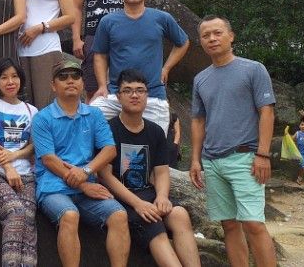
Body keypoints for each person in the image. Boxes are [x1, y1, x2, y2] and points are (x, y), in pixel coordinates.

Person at [189, 15, 276, 267]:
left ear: (231, 36)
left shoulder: (253, 69)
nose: (212, 39)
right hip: (212, 161)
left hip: (245, 157)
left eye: (217, 33)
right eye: (206, 35)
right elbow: (198, 120)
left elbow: (267, 112)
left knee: (253, 224)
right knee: (228, 224)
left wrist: (263, 154)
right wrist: (195, 159)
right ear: (201, 41)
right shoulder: (201, 79)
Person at [98, 69, 200, 267]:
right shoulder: (108, 129)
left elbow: (161, 172)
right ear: (118, 96)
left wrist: (162, 196)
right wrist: (138, 203)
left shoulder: (155, 131)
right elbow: (105, 176)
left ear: (147, 95)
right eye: (127, 90)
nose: (134, 95)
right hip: (121, 198)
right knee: (152, 220)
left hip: (148, 193)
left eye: (140, 90)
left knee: (179, 214)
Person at [33, 58, 129, 267]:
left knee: (119, 215)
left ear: (83, 83)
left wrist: (85, 172)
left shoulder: (94, 114)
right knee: (69, 215)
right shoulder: (42, 118)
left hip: (87, 184)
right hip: (54, 187)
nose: (70, 80)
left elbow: (110, 149)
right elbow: (49, 159)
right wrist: (83, 184)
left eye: (76, 76)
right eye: (63, 77)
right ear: (53, 85)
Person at [90, 0, 189, 133]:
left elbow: (183, 42)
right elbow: (100, 54)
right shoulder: (108, 21)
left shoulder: (162, 18)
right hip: (116, 94)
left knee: (155, 142)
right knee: (89, 120)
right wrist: (102, 86)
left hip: (153, 94)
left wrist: (166, 68)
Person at [0, 59, 38, 267]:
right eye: (4, 77)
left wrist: (16, 155)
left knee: (29, 219)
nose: (10, 82)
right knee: (16, 213)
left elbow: (33, 146)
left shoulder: (31, 110)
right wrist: (8, 166)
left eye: (14, 76)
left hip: (26, 175)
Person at [18, 0, 75, 107]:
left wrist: (40, 28)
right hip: (21, 50)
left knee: (46, 103)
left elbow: (70, 17)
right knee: (25, 104)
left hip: (46, 49)